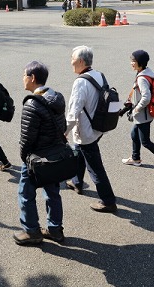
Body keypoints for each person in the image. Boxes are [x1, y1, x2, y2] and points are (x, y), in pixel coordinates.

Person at [14, 61, 67, 245]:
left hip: (36, 158)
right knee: (52, 192)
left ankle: (31, 231)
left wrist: (24, 158)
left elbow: (26, 139)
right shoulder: (57, 97)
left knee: (25, 192)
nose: (23, 79)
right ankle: (55, 230)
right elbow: (63, 126)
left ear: (32, 78)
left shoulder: (31, 104)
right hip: (55, 156)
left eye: (24, 75)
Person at [65, 45, 117, 213]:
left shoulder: (80, 82)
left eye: (72, 59)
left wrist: (63, 132)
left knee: (95, 167)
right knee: (79, 153)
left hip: (86, 131)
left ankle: (108, 200)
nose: (70, 62)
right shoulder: (99, 75)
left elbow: (73, 112)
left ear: (80, 61)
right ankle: (77, 182)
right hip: (98, 126)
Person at [121, 50, 154, 173]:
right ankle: (136, 159)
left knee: (146, 142)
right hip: (144, 114)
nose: (131, 63)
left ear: (140, 63)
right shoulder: (147, 72)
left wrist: (136, 109)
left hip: (143, 115)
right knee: (134, 134)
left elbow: (146, 97)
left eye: (133, 61)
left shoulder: (142, 78)